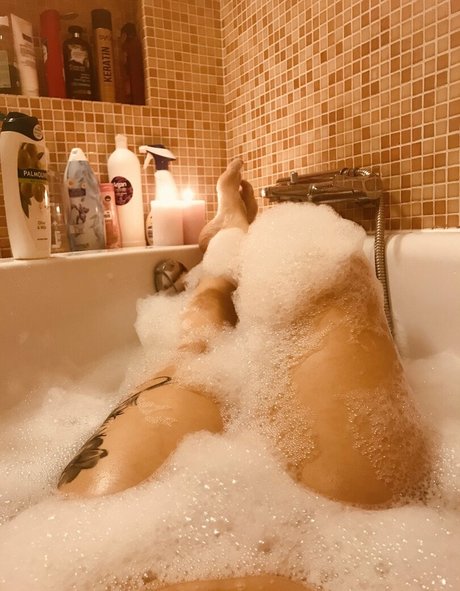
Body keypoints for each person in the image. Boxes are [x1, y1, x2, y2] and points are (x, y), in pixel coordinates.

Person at [57, 159, 431, 590]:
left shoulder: (61, 550)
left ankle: (220, 271)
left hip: (97, 559)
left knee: (196, 349)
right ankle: (225, 259)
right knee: (328, 272)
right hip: (351, 555)